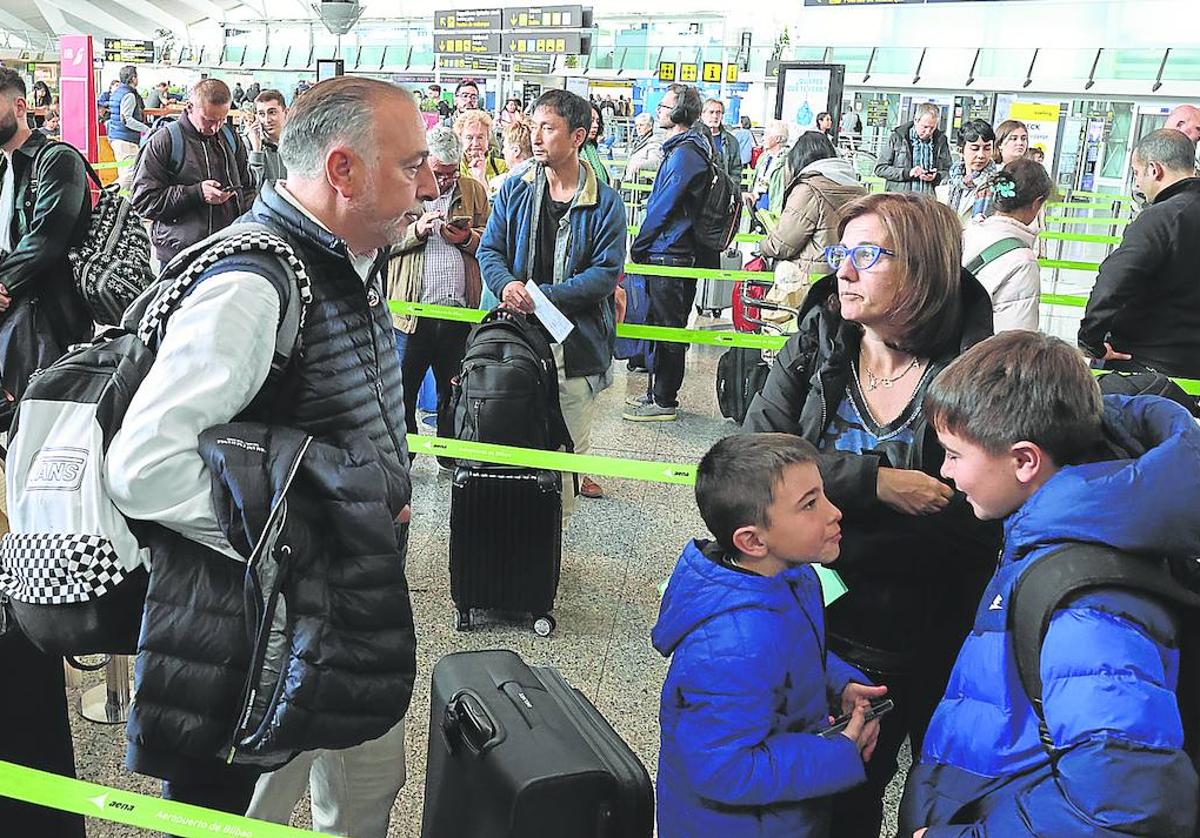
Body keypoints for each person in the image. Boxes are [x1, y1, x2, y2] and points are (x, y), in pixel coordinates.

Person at [109, 75, 433, 827]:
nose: (423, 187)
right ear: (343, 169)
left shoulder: (340, 263)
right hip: (255, 644)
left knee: (365, 789)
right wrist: (323, 530)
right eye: (410, 166)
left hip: (340, 619)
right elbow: (145, 468)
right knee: (252, 809)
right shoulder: (254, 282)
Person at [743, 193, 1001, 838]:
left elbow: (964, 525)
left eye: (865, 255)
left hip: (930, 638)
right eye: (839, 253)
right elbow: (751, 459)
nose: (843, 272)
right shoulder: (820, 342)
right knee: (828, 808)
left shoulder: (972, 372)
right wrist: (875, 483)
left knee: (934, 801)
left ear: (921, 268)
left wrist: (817, 526)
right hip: (816, 627)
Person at [899, 330, 1200, 838]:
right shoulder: (1055, 528)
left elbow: (1125, 800)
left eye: (954, 454)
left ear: (1023, 461)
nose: (945, 473)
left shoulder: (1087, 607)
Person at [653, 432, 885, 838]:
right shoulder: (735, 644)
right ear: (754, 540)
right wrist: (838, 751)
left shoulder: (791, 575)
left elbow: (790, 647)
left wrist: (837, 681)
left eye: (823, 494)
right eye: (810, 505)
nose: (835, 513)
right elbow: (724, 769)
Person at [0, 64, 91, 838]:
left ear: (18, 102)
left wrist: (1, 285)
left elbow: (48, 238)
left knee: (32, 471)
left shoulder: (55, 159)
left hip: (41, 338)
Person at [478, 88, 625, 515]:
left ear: (578, 136)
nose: (536, 137)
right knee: (510, 445)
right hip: (515, 342)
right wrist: (507, 286)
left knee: (565, 458)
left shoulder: (605, 203)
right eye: (534, 126)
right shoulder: (515, 190)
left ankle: (550, 539)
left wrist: (542, 298)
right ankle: (513, 535)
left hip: (573, 347)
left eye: (548, 127)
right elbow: (491, 250)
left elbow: (604, 273)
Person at [387, 125, 489, 461]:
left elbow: (492, 241)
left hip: (458, 313)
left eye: (451, 173)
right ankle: (406, 456)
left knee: (455, 391)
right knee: (403, 391)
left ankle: (450, 455)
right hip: (410, 315)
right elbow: (381, 242)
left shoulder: (474, 191)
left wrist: (467, 238)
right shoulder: (403, 189)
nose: (444, 181)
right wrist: (416, 230)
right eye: (438, 174)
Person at [1078, 128, 1200, 379]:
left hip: (1144, 366)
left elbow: (1115, 281)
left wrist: (1091, 341)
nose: (1137, 183)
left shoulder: (1160, 218)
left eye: (1136, 173)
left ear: (1154, 170)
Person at [623, 84, 712, 424]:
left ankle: (664, 399)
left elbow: (662, 208)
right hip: (672, 250)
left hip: (670, 252)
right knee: (661, 325)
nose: (659, 110)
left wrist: (640, 243)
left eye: (664, 105)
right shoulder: (686, 149)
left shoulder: (686, 154)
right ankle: (657, 393)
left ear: (679, 112)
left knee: (668, 327)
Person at [131, 78, 253, 266]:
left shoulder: (230, 137)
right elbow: (143, 201)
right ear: (189, 107)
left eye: (221, 120)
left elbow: (247, 187)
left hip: (227, 251)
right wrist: (196, 193)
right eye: (208, 119)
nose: (215, 127)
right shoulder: (164, 141)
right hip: (180, 257)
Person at [761, 131, 866, 295]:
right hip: (845, 277)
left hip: (808, 284)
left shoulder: (808, 190)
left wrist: (763, 245)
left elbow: (782, 244)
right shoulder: (855, 187)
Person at [962, 158, 1052, 333]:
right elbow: (1015, 340)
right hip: (979, 356)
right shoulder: (1023, 261)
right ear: (1037, 203)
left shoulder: (968, 233)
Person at [875, 103, 951, 194]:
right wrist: (908, 173)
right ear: (916, 120)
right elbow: (880, 169)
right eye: (925, 127)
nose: (928, 132)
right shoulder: (897, 137)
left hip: (928, 201)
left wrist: (936, 176)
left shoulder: (941, 140)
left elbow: (949, 170)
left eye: (932, 128)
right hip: (901, 201)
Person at [107, 65, 151, 192]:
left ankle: (119, 204)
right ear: (133, 78)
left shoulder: (117, 92)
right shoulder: (129, 95)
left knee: (124, 172)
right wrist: (145, 129)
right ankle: (107, 193)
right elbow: (126, 119)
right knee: (130, 175)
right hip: (126, 139)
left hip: (116, 137)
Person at [944, 119, 998, 220]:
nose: (981, 155)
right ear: (960, 150)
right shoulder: (947, 183)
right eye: (975, 148)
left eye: (987, 149)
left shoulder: (998, 184)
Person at [746, 119, 789, 214]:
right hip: (756, 205)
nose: (763, 138)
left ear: (778, 139)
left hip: (773, 210)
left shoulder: (787, 160)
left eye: (766, 135)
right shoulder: (763, 158)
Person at [455, 109, 506, 189]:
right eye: (469, 138)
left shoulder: (503, 168)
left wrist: (480, 178)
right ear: (460, 139)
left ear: (488, 139)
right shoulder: (452, 170)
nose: (475, 143)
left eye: (480, 137)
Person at [247, 88, 288, 187]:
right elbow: (252, 187)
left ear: (286, 113)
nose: (267, 120)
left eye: (272, 112)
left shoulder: (297, 144)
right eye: (261, 114)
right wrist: (256, 151)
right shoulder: (248, 144)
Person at [700, 98, 743, 184]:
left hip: (723, 191)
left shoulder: (731, 141)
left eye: (718, 112)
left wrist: (728, 188)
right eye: (711, 112)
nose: (715, 116)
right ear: (702, 115)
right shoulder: (695, 138)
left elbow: (736, 170)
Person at [490, 116, 533, 193]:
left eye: (505, 146)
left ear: (516, 151)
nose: (503, 151)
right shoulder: (539, 175)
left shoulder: (510, 183)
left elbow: (490, 203)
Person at [624, 111, 665, 182]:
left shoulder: (654, 143)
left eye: (641, 125)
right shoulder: (638, 143)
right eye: (637, 125)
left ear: (650, 127)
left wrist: (639, 165)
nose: (638, 128)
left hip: (643, 185)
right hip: (632, 182)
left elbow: (655, 162)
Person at [581, 103, 611, 187]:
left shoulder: (591, 148)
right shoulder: (571, 151)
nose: (596, 125)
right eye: (591, 121)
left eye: (597, 121)